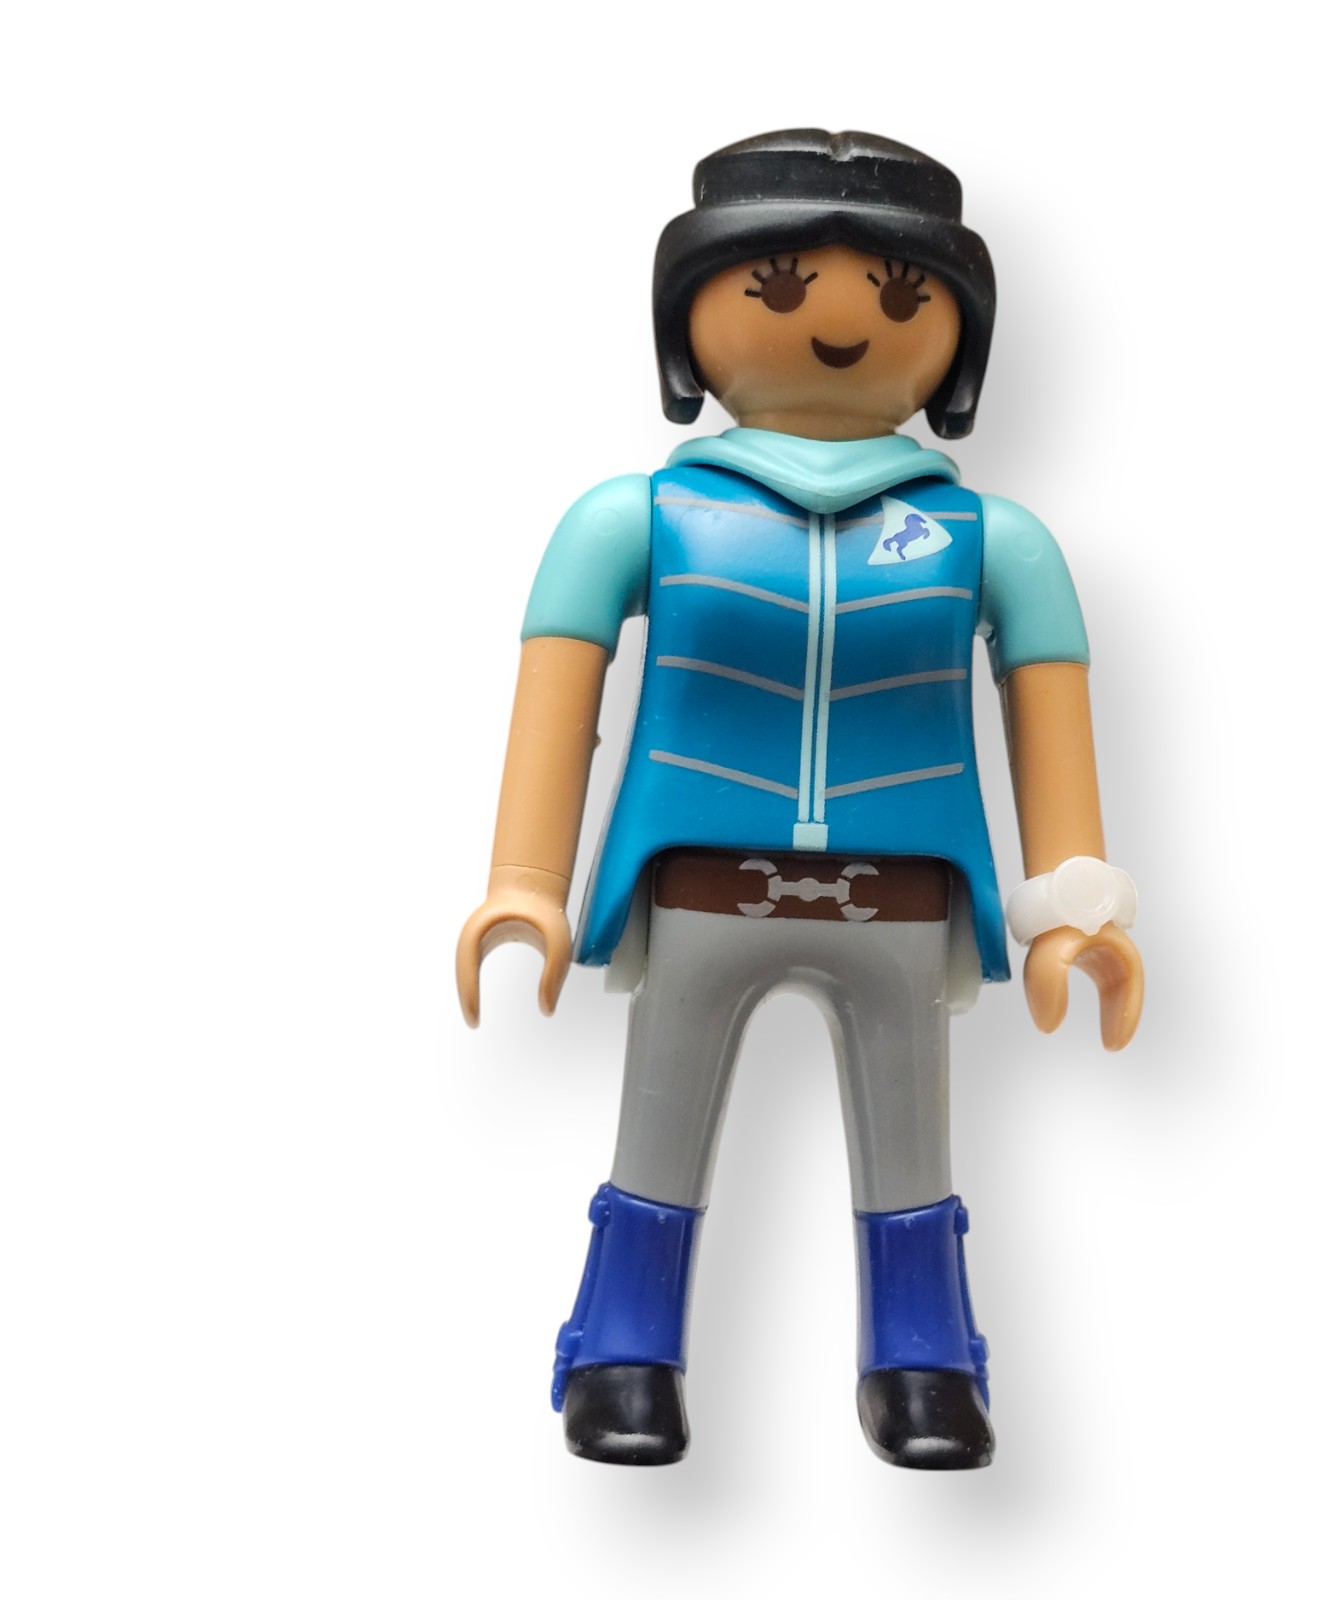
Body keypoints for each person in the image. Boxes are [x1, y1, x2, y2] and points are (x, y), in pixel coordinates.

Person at [456, 129, 1144, 1470]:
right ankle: (622, 1353)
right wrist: (523, 885)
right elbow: (557, 698)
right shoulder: (633, 520)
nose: (841, 324)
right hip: (701, 888)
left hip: (901, 901)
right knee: (657, 1133)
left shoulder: (992, 543)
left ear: (959, 337)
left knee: (913, 1151)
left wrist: (1076, 906)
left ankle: (924, 1365)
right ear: (691, 318)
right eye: (773, 286)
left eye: (902, 295)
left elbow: (1050, 723)